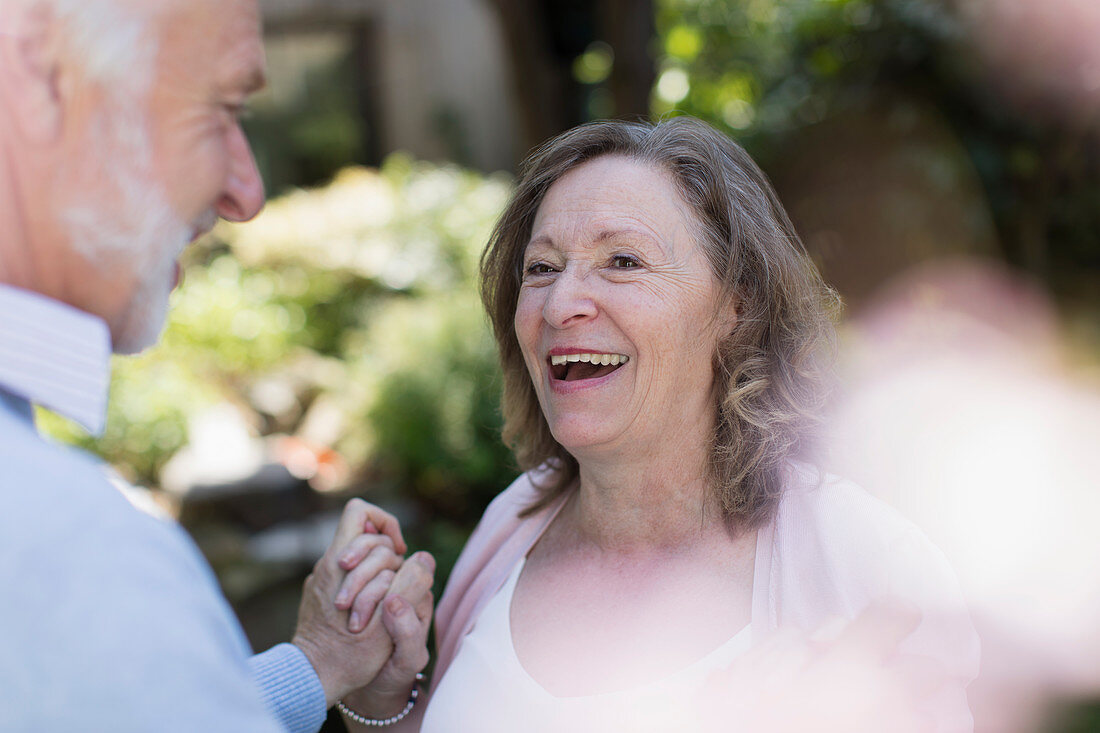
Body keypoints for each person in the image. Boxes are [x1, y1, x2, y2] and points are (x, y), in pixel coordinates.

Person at [336, 116, 981, 731]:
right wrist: (382, 696)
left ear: (738, 305)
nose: (561, 304)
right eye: (541, 268)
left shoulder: (868, 563)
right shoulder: (514, 522)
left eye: (623, 261)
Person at [0, 0, 432, 730]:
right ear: (39, 81)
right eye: (221, 109)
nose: (247, 193)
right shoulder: (65, 553)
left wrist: (317, 662)